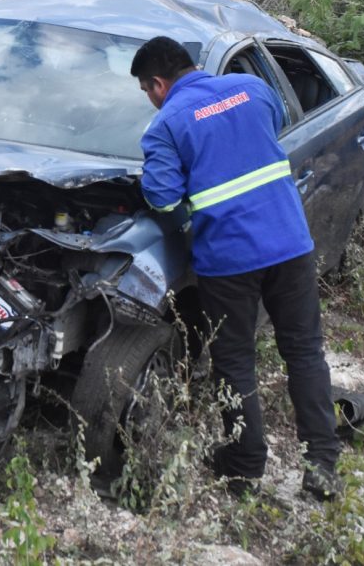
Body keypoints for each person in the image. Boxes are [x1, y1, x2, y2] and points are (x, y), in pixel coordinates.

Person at [131, 36, 342, 500]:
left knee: (235, 362)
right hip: (289, 242)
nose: (149, 99)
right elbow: (276, 123)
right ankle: (323, 467)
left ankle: (243, 469)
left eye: (146, 90)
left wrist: (190, 215)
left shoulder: (165, 124)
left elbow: (163, 197)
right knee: (305, 352)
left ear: (159, 84)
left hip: (228, 260)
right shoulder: (252, 87)